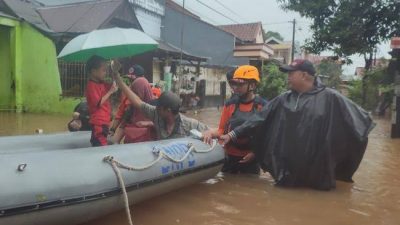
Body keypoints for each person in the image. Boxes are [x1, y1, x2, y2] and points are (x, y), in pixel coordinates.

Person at [220, 59, 374, 190]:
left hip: (318, 172)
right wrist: (232, 134)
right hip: (287, 172)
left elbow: (361, 124)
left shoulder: (331, 98)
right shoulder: (284, 99)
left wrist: (341, 163)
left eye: (291, 73)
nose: (288, 77)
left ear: (304, 75)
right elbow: (258, 119)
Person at [111, 60, 209, 139]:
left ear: (168, 110)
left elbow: (212, 131)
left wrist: (208, 135)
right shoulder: (156, 113)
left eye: (159, 106)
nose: (156, 107)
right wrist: (117, 77)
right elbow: (137, 102)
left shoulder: (188, 123)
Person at [203, 65, 267, 174]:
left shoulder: (263, 106)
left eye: (240, 84)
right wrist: (209, 133)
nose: (235, 87)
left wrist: (255, 154)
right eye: (234, 83)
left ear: (252, 85)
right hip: (230, 157)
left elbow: (266, 137)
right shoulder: (230, 105)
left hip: (251, 160)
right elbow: (222, 130)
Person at [109, 65, 155, 143]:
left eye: (133, 79)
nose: (132, 83)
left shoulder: (154, 103)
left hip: (146, 139)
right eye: (130, 80)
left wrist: (148, 123)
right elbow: (122, 113)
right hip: (132, 135)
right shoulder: (129, 96)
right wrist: (113, 130)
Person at [85, 55, 118, 146]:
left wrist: (115, 72)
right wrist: (110, 91)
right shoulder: (91, 85)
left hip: (104, 121)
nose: (105, 73)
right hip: (98, 122)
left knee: (100, 143)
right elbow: (98, 103)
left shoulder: (101, 83)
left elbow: (113, 85)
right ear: (93, 71)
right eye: (103, 70)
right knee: (100, 145)